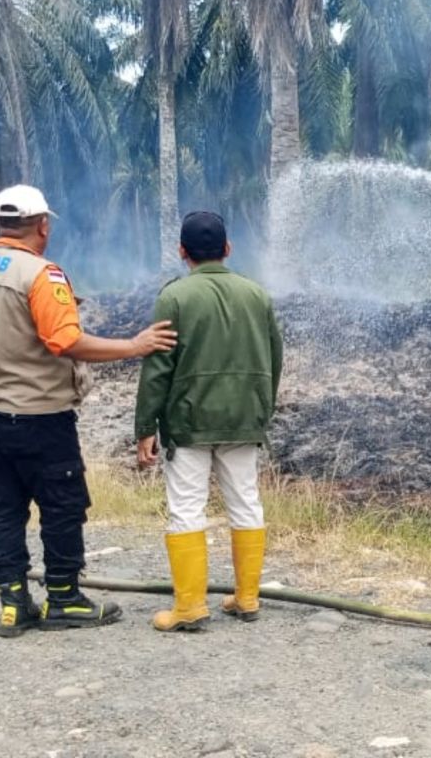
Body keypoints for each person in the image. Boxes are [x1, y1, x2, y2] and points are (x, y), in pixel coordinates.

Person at [0, 184, 177, 638]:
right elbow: (65, 341)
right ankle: (64, 598)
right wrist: (133, 346)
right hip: (38, 411)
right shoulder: (42, 275)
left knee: (4, 504)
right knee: (62, 501)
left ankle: (14, 604)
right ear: (42, 225)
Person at [135, 211, 283, 633]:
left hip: (189, 421)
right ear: (228, 249)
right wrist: (260, 408)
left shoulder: (175, 297)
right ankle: (248, 598)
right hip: (243, 418)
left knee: (186, 508)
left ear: (182, 252)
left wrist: (145, 426)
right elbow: (275, 358)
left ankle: (189, 607)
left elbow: (158, 367)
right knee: (246, 502)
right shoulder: (256, 295)